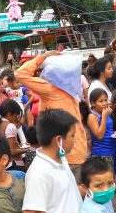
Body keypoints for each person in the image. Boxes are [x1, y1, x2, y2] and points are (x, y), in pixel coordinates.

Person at [17, 51, 89, 179]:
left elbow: (20, 74)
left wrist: (43, 57)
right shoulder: (71, 88)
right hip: (77, 151)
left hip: (65, 156)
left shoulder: (51, 89)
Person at [86, 88, 114, 166]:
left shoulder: (105, 112)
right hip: (101, 153)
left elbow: (108, 130)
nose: (104, 103)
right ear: (93, 103)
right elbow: (99, 136)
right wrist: (104, 117)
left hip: (111, 151)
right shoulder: (92, 117)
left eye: (106, 100)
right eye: (101, 101)